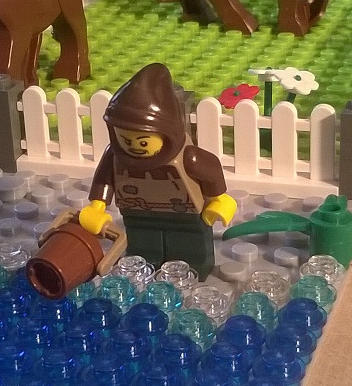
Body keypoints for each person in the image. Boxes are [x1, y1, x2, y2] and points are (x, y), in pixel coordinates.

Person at [81, 63, 237, 280]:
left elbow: (211, 171)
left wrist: (219, 199)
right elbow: (104, 180)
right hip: (136, 213)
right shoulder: (115, 155)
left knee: (188, 248)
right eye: (126, 140)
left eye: (143, 142)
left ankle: (192, 268)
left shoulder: (188, 157)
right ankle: (145, 267)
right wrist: (97, 206)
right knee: (143, 247)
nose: (134, 147)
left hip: (186, 216)